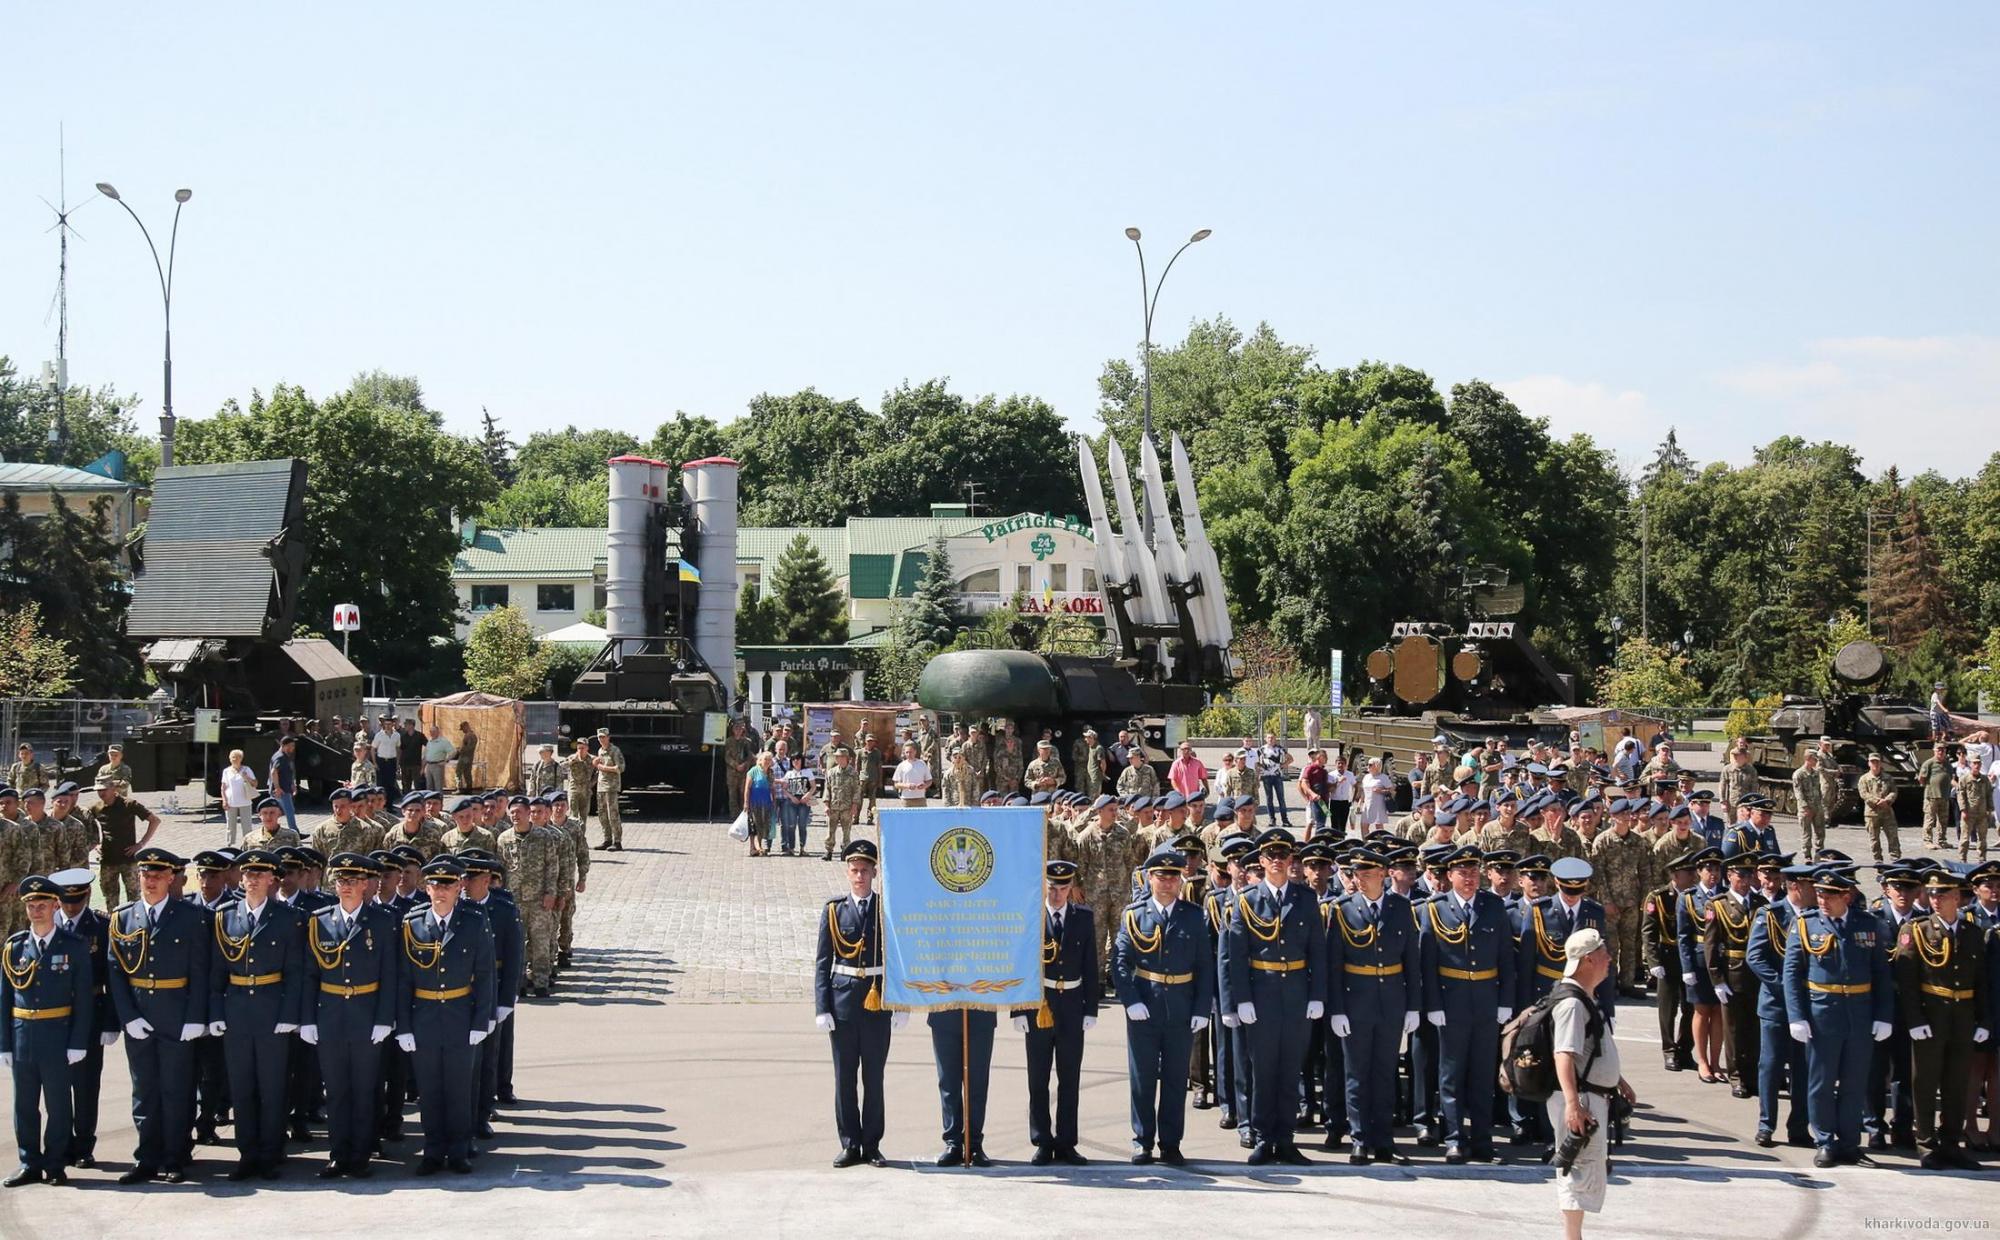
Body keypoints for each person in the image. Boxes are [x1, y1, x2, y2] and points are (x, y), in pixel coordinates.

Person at [1219, 827, 1325, 1164]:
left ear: (1291, 859)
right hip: (1262, 994)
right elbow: (1235, 955)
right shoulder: (1247, 901)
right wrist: (1242, 999)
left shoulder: (1305, 899)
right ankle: (1264, 1137)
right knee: (1263, 1070)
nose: (1277, 861)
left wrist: (1316, 994)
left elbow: (1317, 952)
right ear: (1261, 861)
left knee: (1290, 1069)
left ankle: (1287, 1137)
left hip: (1295, 991)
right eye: (1271, 856)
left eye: (1283, 855)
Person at [106, 846, 212, 1184]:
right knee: (145, 1090)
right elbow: (115, 972)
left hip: (176, 1013)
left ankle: (175, 1155)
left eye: (157, 876)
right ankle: (147, 1157)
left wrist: (196, 1017)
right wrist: (128, 1016)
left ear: (171, 878)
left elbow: (201, 971)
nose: (149, 882)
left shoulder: (190, 917)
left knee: (177, 1089)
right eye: (144, 876)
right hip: (140, 1014)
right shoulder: (123, 918)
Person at [1782, 867, 1893, 1168]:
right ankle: (1825, 1140)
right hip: (1823, 1013)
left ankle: (1849, 1143)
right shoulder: (1805, 924)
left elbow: (1881, 973)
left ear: (1847, 895)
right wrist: (1797, 1016)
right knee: (1821, 1081)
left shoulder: (1868, 924)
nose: (1822, 900)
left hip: (1859, 1012)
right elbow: (1791, 974)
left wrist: (1884, 1015)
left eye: (1829, 895)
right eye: (1819, 894)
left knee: (1855, 1082)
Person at [1113, 847, 1214, 1165]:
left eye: (1173, 876)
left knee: (1174, 1078)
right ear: (1150, 878)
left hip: (1181, 1005)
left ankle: (1170, 1142)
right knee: (1142, 1077)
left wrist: (1201, 1008)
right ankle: (1142, 1140)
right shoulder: (1134, 915)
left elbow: (1204, 965)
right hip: (1146, 1003)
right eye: (1161, 876)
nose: (1168, 882)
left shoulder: (1194, 916)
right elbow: (1118, 961)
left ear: (1181, 879)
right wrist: (1130, 1000)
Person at [397, 856, 497, 1175]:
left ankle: (458, 1150)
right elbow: (403, 979)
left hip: (459, 1016)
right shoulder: (412, 924)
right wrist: (404, 1025)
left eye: (448, 885)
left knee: (458, 1088)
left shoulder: (472, 921)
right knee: (429, 1089)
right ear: (426, 888)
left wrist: (482, 1020)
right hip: (424, 1016)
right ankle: (432, 1150)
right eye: (435, 885)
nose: (441, 891)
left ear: (459, 888)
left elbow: (484, 974)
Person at [1417, 843, 1516, 1164]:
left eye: (1474, 872)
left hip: (1486, 1000)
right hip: (1451, 1000)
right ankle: (1455, 1138)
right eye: (1463, 872)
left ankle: (1483, 1140)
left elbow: (1505, 958)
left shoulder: (1493, 906)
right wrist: (1432, 1003)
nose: (1470, 878)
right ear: (1450, 875)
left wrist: (1505, 1001)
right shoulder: (1434, 909)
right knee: (1451, 1074)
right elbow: (1427, 963)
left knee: (1482, 1074)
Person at [209, 848, 305, 1180]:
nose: (252, 881)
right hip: (236, 1009)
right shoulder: (225, 916)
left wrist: (290, 1014)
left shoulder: (288, 918)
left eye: (259, 876)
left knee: (273, 1085)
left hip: (271, 1006)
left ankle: (270, 1151)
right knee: (242, 1085)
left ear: (271, 880)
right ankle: (247, 1153)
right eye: (248, 875)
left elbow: (296, 971)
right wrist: (216, 1010)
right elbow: (216, 970)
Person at [302, 853, 398, 1178]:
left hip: (366, 1014)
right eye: (342, 881)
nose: (347, 887)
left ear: (365, 885)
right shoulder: (319, 920)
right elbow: (309, 976)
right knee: (337, 1089)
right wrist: (308, 1019)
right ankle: (338, 1154)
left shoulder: (382, 922)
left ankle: (361, 1154)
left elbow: (390, 975)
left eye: (354, 881)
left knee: (364, 1088)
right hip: (330, 1015)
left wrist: (385, 1018)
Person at [1892, 868, 1988, 1169]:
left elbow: (1982, 981)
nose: (1935, 899)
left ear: (1957, 898)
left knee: (1957, 1082)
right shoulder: (1916, 930)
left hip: (1962, 1016)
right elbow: (1906, 980)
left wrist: (1983, 1020)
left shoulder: (1973, 932)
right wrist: (1915, 1019)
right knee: (1925, 1081)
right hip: (1930, 1015)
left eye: (1942, 894)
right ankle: (1926, 1144)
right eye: (1932, 894)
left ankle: (1951, 1144)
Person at [814, 839, 901, 1168]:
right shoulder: (834, 910)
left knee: (874, 1078)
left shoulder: (886, 908)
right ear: (847, 873)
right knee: (845, 1077)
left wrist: (901, 1003)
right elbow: (823, 962)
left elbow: (897, 959)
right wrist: (822, 1007)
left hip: (878, 1003)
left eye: (865, 871)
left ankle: (872, 1144)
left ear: (875, 873)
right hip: (844, 1004)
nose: (860, 876)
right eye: (855, 870)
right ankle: (850, 1143)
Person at [2, 874, 93, 1187]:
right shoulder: (14, 947)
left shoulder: (74, 947)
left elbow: (83, 999)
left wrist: (78, 1042)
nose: (36, 910)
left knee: (58, 1106)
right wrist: (4, 1043)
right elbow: (4, 999)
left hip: (58, 1035)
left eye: (42, 904)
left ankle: (55, 1163)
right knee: (24, 1106)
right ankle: (29, 1162)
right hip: (23, 1035)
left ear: (56, 905)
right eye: (31, 905)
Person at [1548, 928, 1637, 1240]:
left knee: (1585, 1168)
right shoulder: (1572, 1003)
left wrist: (1617, 1080)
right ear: (1587, 960)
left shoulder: (1583, 997)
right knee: (1578, 1169)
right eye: (1602, 953)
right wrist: (1573, 1105)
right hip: (1580, 1100)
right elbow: (1564, 1055)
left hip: (1589, 1095)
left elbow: (1590, 1049)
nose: (1609, 958)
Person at [1008, 860, 1097, 1166]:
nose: (1057, 894)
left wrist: (1091, 1008)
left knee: (1069, 1077)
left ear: (1071, 888)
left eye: (1062, 888)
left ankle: (1067, 1142)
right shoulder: (1031, 916)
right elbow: (1019, 963)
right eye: (1052, 887)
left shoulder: (1083, 917)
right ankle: (1042, 1141)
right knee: (1038, 1078)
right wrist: (1017, 1010)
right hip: (1039, 1005)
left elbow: (1090, 965)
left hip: (1072, 1004)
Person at [91, 778, 160, 909]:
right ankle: (113, 924)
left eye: (104, 789)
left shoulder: (129, 804)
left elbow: (155, 821)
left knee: (134, 897)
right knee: (110, 898)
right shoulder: (96, 807)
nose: (101, 793)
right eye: (98, 790)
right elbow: (84, 823)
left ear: (113, 789)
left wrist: (140, 844)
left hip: (128, 859)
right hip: (108, 860)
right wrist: (95, 843)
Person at [1856, 754, 1901, 862]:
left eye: (1877, 762)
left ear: (1880, 763)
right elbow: (1863, 793)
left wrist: (1887, 800)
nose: (1875, 764)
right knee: (1874, 839)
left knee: (1893, 836)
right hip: (1872, 813)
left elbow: (1894, 791)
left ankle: (1895, 859)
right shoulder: (1864, 779)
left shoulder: (1888, 778)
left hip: (1887, 811)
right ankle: (1878, 860)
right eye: (1872, 762)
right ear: (1869, 763)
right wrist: (1877, 801)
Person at [592, 728, 627, 851]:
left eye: (603, 737)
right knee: (602, 814)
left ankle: (617, 842)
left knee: (613, 814)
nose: (601, 739)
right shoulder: (600, 750)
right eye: (599, 737)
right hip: (601, 786)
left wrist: (601, 767)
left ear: (608, 737)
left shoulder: (615, 751)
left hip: (611, 787)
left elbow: (620, 768)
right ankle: (607, 839)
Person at [219, 750, 258, 847]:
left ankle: (247, 844)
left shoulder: (246, 769)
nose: (235, 760)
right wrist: (224, 800)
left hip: (245, 801)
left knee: (247, 826)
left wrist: (246, 777)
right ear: (230, 759)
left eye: (237, 757)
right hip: (231, 802)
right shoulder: (226, 771)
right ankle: (230, 844)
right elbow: (223, 787)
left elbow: (255, 783)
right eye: (233, 758)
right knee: (230, 826)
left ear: (241, 759)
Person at [1255, 733, 1292, 828]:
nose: (1270, 739)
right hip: (1266, 776)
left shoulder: (1280, 749)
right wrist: (1259, 774)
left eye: (1272, 738)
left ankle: (1285, 819)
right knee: (1269, 799)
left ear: (1275, 739)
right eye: (1269, 738)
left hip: (1277, 776)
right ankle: (1272, 819)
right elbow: (1257, 762)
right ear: (1265, 739)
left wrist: (1283, 765)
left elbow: (1290, 758)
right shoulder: (1261, 750)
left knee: (1281, 798)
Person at [744, 752, 776, 857]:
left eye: (769, 759)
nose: (767, 761)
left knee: (763, 825)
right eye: (765, 759)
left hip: (766, 803)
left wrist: (773, 801)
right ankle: (753, 848)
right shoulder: (753, 771)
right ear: (760, 760)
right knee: (754, 824)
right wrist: (746, 803)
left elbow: (772, 788)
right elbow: (747, 788)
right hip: (754, 802)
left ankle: (759, 847)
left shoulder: (771, 772)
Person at [268, 736, 300, 834]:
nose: (292, 748)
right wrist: (277, 787)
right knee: (289, 811)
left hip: (284, 788)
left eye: (293, 746)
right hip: (281, 790)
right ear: (283, 745)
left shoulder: (282, 756)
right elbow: (274, 772)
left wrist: (292, 784)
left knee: (278, 812)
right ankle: (295, 833)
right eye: (290, 746)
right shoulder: (280, 757)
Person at [371, 716, 402, 804]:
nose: (388, 726)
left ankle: (389, 805)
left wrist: (397, 763)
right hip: (381, 761)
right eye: (386, 724)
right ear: (383, 725)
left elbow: (398, 749)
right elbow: (373, 749)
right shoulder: (379, 735)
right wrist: (375, 763)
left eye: (389, 724)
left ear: (393, 724)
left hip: (392, 761)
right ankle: (381, 805)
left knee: (391, 784)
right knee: (381, 784)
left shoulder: (397, 735)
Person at [892, 741, 932, 809]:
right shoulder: (901, 766)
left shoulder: (922, 764)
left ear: (915, 752)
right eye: (907, 752)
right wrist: (907, 786)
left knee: (921, 818)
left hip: (920, 799)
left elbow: (929, 780)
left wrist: (924, 785)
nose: (908, 754)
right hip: (906, 799)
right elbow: (896, 784)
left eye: (910, 752)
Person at [1356, 757, 1393, 829]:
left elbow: (1392, 791)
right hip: (1367, 805)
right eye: (1368, 764)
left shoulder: (1383, 777)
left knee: (1378, 826)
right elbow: (1363, 791)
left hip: (1379, 805)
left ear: (1376, 765)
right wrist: (1359, 803)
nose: (1368, 766)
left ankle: (1380, 840)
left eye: (1370, 765)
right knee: (1364, 825)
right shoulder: (1366, 777)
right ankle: (1365, 840)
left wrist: (1381, 791)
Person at [454, 722, 479, 791]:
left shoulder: (469, 736)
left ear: (466, 726)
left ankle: (458, 788)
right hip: (469, 757)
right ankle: (469, 788)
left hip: (465, 757)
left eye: (463, 729)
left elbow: (469, 747)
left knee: (458, 772)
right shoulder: (471, 735)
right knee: (467, 773)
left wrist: (460, 750)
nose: (463, 731)